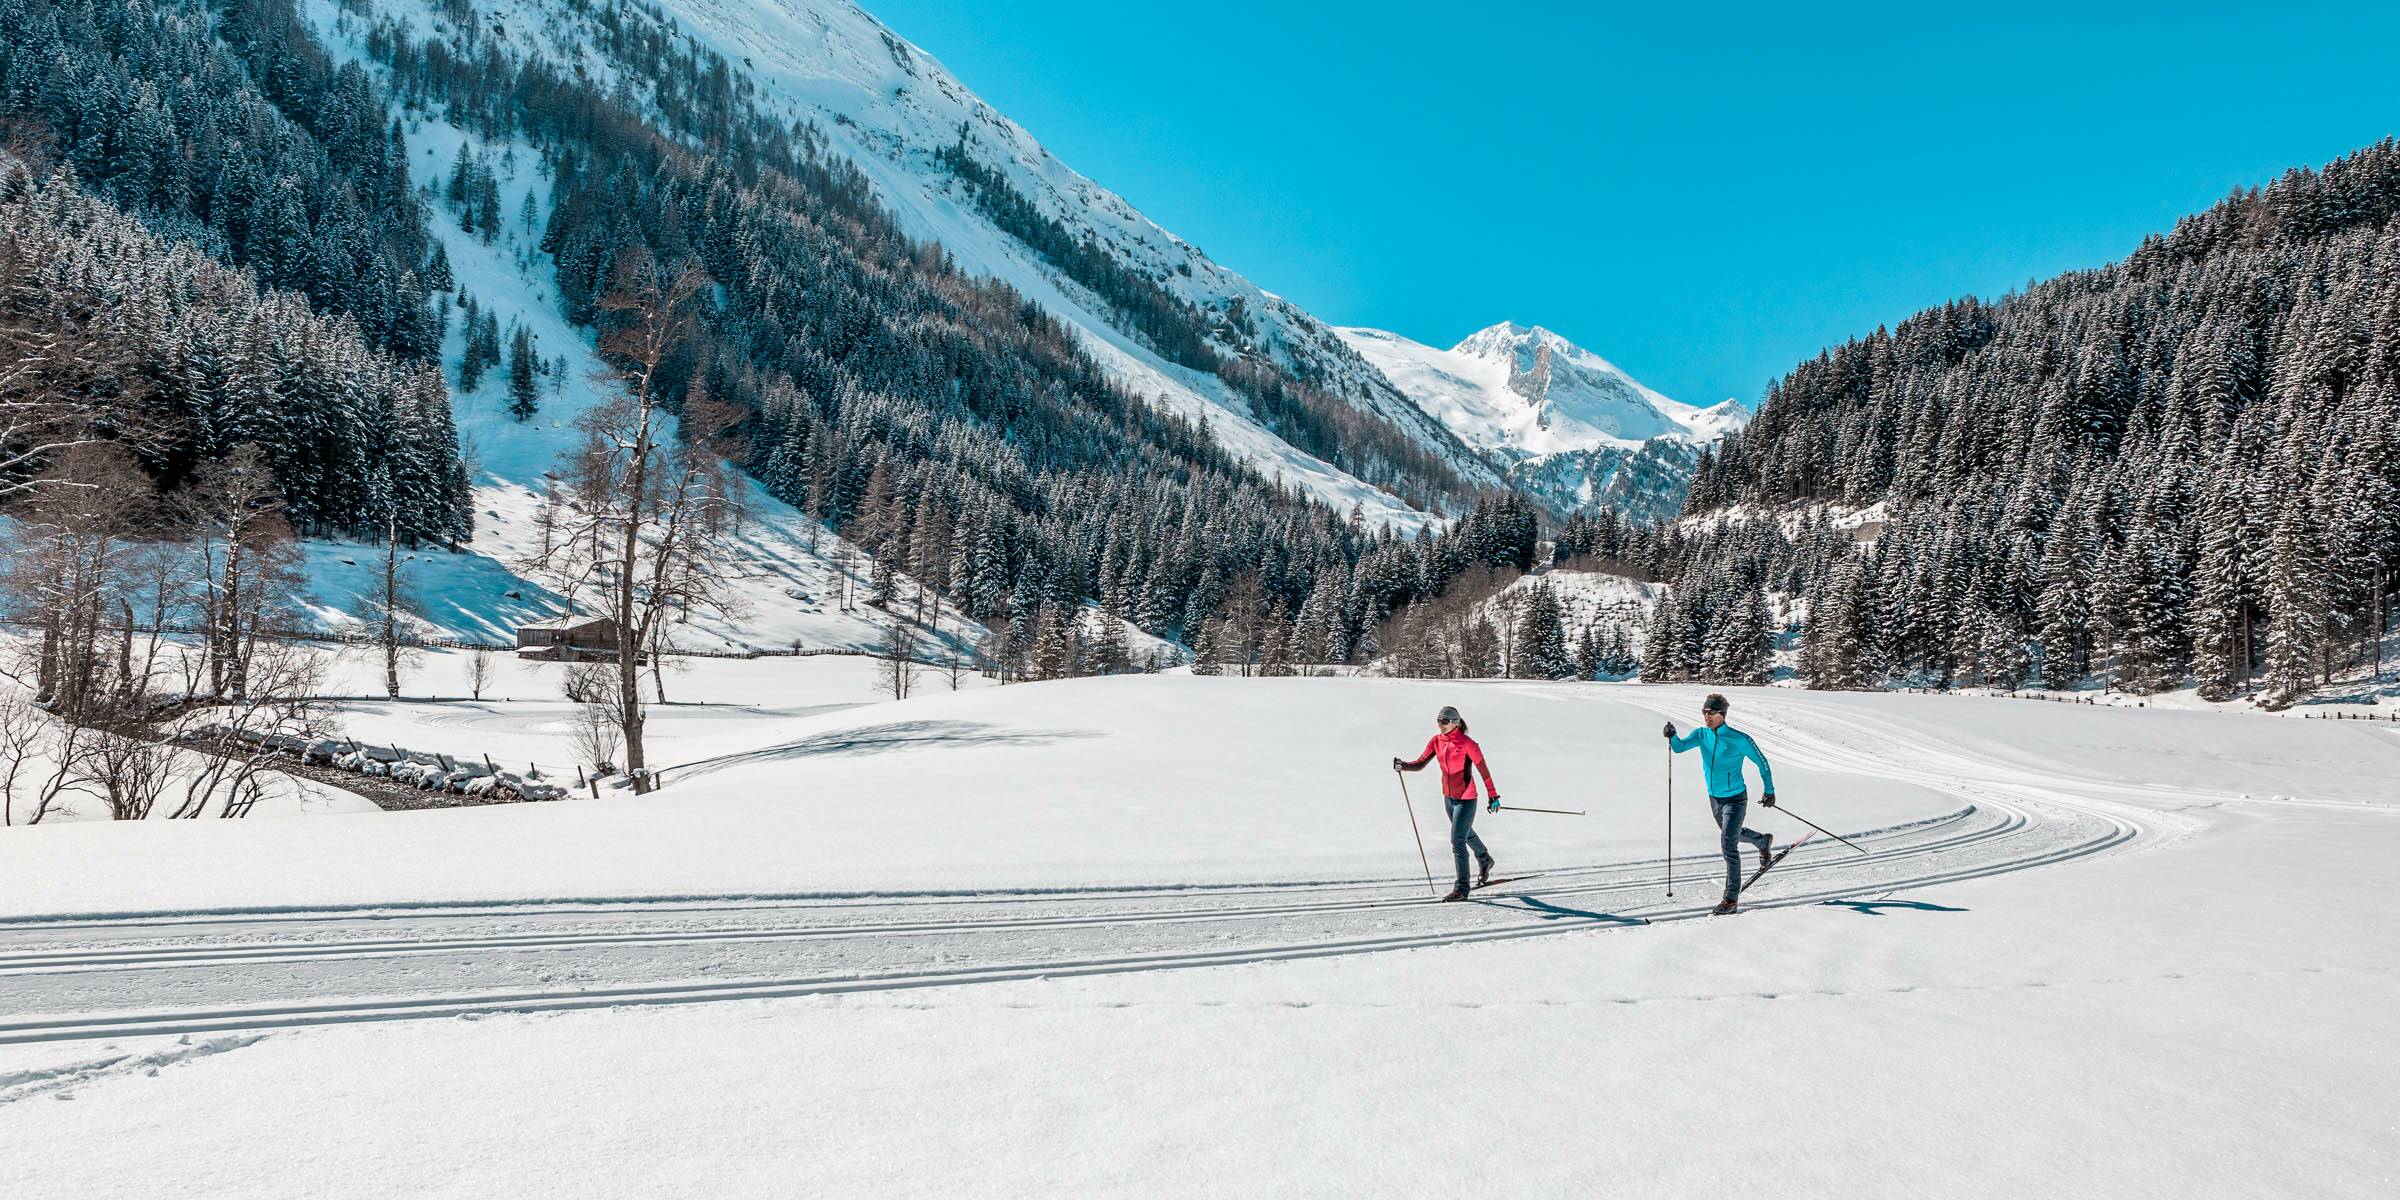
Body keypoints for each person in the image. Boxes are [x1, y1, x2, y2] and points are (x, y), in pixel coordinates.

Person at [1664, 693, 1778, 915]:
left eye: (1711, 712)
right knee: (1731, 834)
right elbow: (1679, 748)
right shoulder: (1701, 734)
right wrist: (1672, 736)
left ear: (1722, 715)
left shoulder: (1739, 739)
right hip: (1714, 798)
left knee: (1728, 844)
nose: (1706, 716)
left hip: (1736, 798)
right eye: (1704, 712)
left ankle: (1731, 899)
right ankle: (1762, 841)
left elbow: (1762, 763)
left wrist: (1769, 791)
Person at [1394, 705, 1499, 901]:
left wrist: (1493, 795)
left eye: (1444, 721)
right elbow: (1421, 763)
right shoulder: (1436, 741)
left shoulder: (1468, 744)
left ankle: (1462, 889)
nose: (1440, 725)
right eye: (1438, 721)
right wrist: (1404, 766)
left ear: (1455, 722)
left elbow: (1483, 770)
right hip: (1448, 797)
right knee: (1465, 833)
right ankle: (1485, 859)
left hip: (1466, 798)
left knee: (1457, 840)